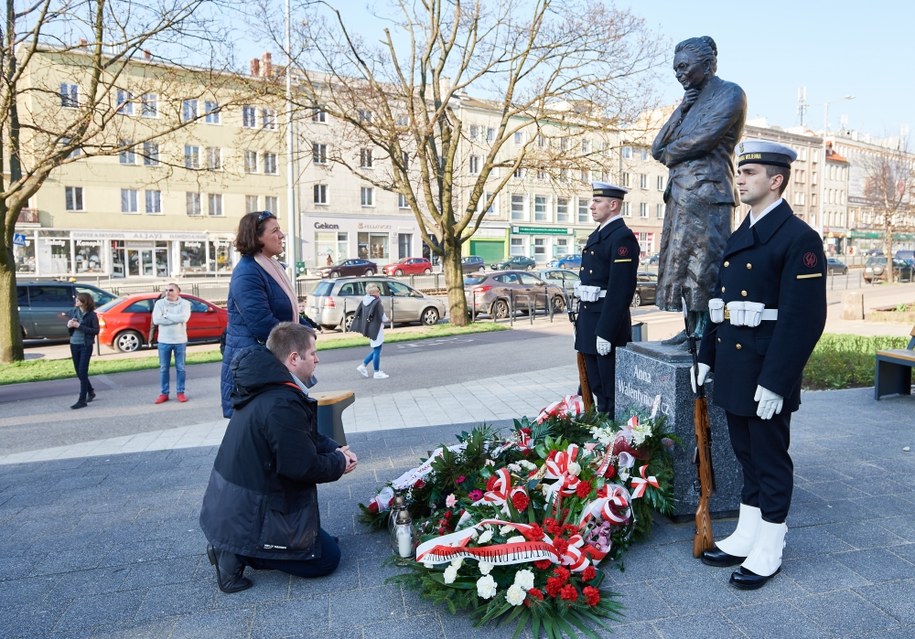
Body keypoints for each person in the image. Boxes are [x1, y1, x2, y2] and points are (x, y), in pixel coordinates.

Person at [693, 141, 827, 590]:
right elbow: (721, 306)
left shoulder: (798, 238)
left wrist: (776, 382)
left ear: (776, 180)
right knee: (746, 456)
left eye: (751, 171)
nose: (741, 178)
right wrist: (706, 357)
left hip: (766, 370)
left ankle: (770, 543)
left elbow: (803, 320)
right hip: (735, 366)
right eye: (741, 171)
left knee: (769, 460)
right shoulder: (741, 233)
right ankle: (748, 533)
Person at [200, 322, 358, 593]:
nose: (317, 359)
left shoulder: (270, 386)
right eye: (313, 353)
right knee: (326, 561)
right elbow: (300, 467)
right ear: (294, 358)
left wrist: (334, 449)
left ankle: (239, 543)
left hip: (239, 502)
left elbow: (298, 438)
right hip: (248, 511)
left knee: (320, 544)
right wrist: (339, 463)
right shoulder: (281, 401)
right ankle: (235, 552)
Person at [651, 36, 747, 344]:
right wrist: (682, 107)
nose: (678, 73)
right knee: (680, 264)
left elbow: (705, 138)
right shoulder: (689, 102)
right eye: (675, 68)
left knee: (704, 265)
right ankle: (691, 329)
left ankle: (707, 334)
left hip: (709, 192)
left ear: (706, 64)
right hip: (681, 193)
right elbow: (657, 146)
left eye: (683, 66)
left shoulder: (730, 93)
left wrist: (670, 154)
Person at [220, 210, 318, 418]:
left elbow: (285, 310)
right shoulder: (247, 272)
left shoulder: (272, 267)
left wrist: (306, 328)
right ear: (257, 238)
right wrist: (300, 338)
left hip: (268, 363)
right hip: (255, 367)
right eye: (275, 231)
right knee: (263, 432)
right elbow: (262, 325)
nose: (282, 235)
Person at [573, 182, 640, 417]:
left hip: (605, 324)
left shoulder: (622, 238)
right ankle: (600, 437)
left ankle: (612, 440)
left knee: (609, 390)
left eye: (597, 201)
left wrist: (606, 331)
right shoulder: (599, 235)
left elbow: (620, 289)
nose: (592, 206)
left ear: (613, 205)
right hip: (590, 320)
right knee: (593, 385)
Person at [152, 283, 192, 404]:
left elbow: (184, 318)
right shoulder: (159, 303)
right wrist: (175, 319)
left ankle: (180, 392)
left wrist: (166, 315)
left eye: (171, 290)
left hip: (180, 341)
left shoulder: (185, 304)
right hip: (164, 341)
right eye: (166, 290)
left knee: (181, 368)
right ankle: (164, 393)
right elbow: (156, 320)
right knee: (164, 368)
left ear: (178, 292)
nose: (168, 292)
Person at [66, 292, 99, 409]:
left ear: (85, 302)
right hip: (74, 344)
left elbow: (95, 331)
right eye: (76, 299)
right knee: (79, 372)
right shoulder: (74, 311)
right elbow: (68, 320)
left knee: (82, 371)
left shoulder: (92, 315)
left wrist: (79, 326)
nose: (76, 301)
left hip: (85, 345)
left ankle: (82, 400)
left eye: (79, 300)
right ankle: (90, 392)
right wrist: (69, 324)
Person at [352, 283, 389, 379]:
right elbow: (383, 317)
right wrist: (387, 319)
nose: (379, 293)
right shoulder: (377, 302)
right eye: (378, 291)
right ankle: (376, 372)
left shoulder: (365, 300)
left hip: (369, 328)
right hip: (377, 328)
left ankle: (363, 366)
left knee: (376, 348)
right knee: (377, 349)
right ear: (373, 293)